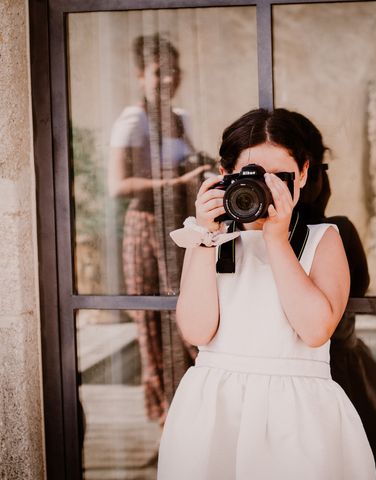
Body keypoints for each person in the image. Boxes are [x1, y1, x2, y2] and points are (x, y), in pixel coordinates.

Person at [157, 108, 376, 479]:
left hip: (297, 416)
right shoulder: (210, 239)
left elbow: (314, 330)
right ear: (225, 175)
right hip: (216, 409)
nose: (266, 188)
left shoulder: (323, 239)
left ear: (304, 173)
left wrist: (277, 238)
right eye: (256, 177)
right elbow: (196, 331)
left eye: (281, 178)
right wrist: (205, 237)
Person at [295, 113, 376, 480]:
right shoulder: (337, 231)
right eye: (321, 169)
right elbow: (358, 288)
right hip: (340, 371)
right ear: (311, 176)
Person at [108, 33, 209, 423]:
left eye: (174, 71)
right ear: (140, 76)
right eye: (158, 72)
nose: (168, 80)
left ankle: (200, 404)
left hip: (177, 228)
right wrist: (176, 185)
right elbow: (118, 185)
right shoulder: (133, 119)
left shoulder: (179, 119)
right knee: (155, 322)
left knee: (189, 310)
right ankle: (170, 414)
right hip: (146, 228)